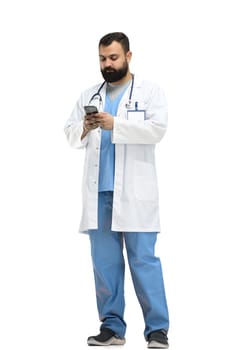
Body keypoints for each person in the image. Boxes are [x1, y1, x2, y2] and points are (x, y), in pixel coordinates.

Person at [64, 32, 169, 349]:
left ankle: (157, 330)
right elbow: (69, 134)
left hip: (135, 195)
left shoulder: (149, 92)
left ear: (128, 56)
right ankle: (112, 328)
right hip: (99, 195)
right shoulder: (89, 94)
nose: (107, 64)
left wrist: (116, 125)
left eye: (113, 57)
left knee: (144, 262)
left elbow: (157, 130)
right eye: (102, 58)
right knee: (105, 264)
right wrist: (86, 126)